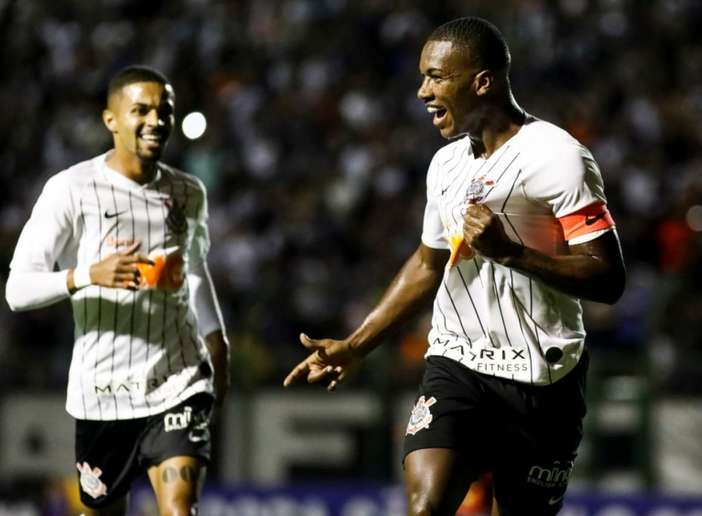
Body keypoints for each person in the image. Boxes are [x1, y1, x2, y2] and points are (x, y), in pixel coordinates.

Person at [284, 16, 625, 516]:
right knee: (425, 508)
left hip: (544, 379)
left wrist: (514, 255)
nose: (422, 91)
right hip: (458, 363)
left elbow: (608, 277)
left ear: (482, 81)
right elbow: (428, 264)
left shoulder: (559, 157)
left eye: (436, 77)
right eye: (422, 76)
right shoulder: (446, 165)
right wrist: (355, 347)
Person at [5, 65, 229, 516]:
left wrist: (216, 340)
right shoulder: (70, 189)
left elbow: (197, 273)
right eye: (140, 110)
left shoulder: (188, 193)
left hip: (178, 380)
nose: (156, 120)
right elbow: (17, 289)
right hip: (101, 394)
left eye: (163, 110)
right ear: (111, 120)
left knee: (179, 508)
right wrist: (87, 274)